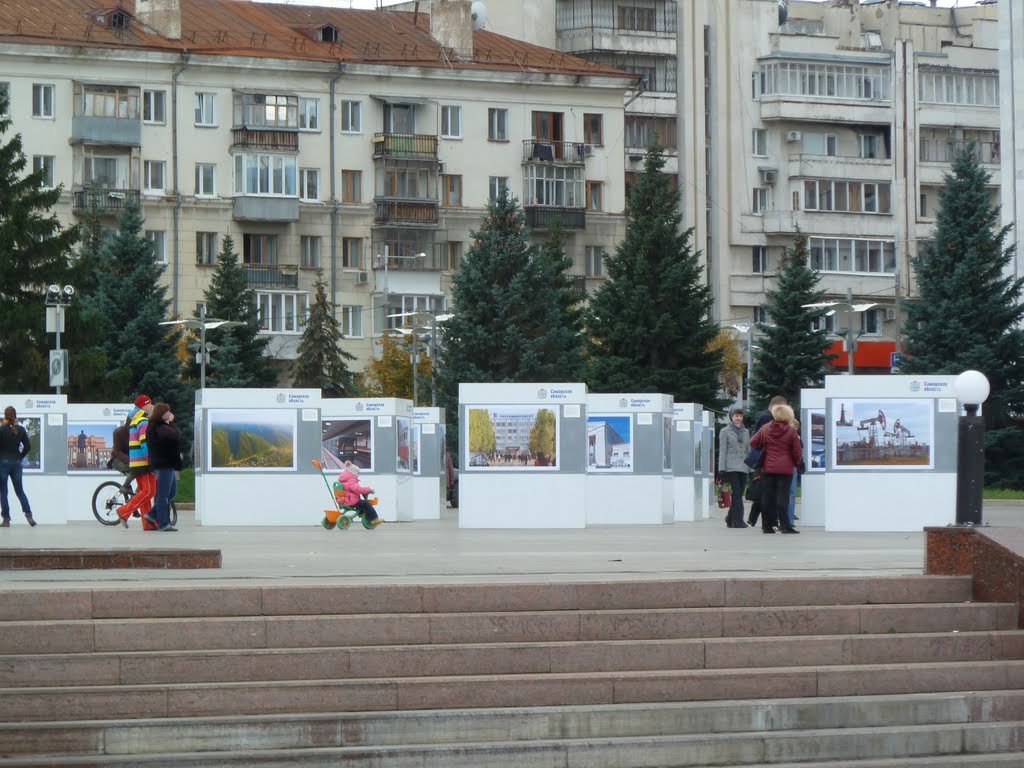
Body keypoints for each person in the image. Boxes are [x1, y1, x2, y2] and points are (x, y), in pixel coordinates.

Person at [749, 403, 803, 534]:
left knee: (767, 496)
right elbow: (797, 451)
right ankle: (785, 526)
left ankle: (767, 526)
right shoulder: (791, 431)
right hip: (785, 469)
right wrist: (799, 463)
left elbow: (753, 442)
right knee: (783, 497)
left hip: (768, 468)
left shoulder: (765, 428)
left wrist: (765, 444)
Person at [116, 395, 157, 529]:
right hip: (143, 462)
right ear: (143, 406)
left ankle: (147, 524)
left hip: (136, 462)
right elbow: (144, 442)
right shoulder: (143, 421)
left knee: (145, 491)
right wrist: (150, 460)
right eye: (149, 404)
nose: (152, 406)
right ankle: (124, 511)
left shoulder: (135, 420)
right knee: (148, 491)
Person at [747, 395, 788, 528]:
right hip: (762, 458)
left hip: (765, 458)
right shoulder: (767, 417)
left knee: (767, 492)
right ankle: (769, 522)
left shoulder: (766, 416)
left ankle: (761, 520)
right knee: (766, 492)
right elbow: (759, 439)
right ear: (776, 406)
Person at [145, 402, 182, 532]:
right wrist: (171, 422)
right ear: (161, 413)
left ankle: (151, 515)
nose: (170, 414)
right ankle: (163, 523)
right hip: (163, 463)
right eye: (167, 412)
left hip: (168, 463)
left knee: (171, 492)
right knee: (163, 494)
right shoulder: (157, 426)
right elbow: (174, 435)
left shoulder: (160, 426)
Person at [0, 406, 35, 527]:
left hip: (3, 463)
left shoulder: (1, 430)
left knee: (3, 492)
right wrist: (20, 457)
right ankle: (29, 515)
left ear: (5, 416)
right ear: (15, 416)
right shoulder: (21, 429)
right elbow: (28, 447)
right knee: (20, 491)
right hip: (16, 463)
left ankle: (6, 519)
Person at [717, 408, 750, 529]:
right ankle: (738, 520)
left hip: (743, 466)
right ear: (731, 417)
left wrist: (751, 468)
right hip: (731, 466)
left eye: (740, 416)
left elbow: (748, 449)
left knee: (739, 493)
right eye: (736, 416)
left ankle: (730, 518)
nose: (738, 418)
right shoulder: (725, 431)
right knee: (736, 493)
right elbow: (723, 450)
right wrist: (721, 468)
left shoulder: (746, 431)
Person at [338, 461, 380, 526]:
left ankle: (361, 513)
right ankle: (374, 519)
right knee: (366, 504)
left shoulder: (344, 480)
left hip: (345, 500)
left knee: (361, 502)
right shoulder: (351, 480)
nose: (358, 476)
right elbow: (358, 490)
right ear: (354, 473)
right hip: (351, 501)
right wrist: (369, 489)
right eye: (357, 473)